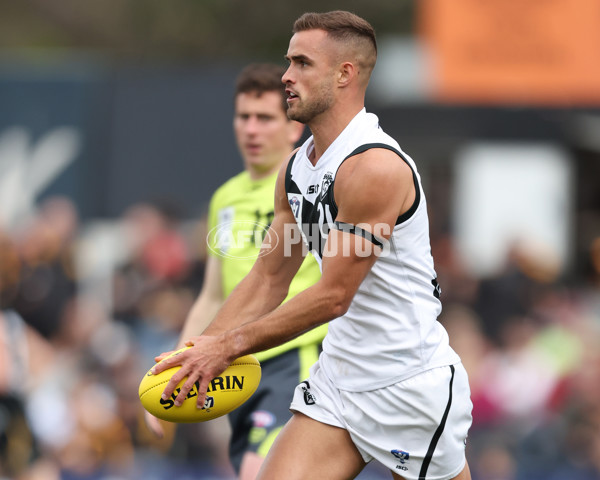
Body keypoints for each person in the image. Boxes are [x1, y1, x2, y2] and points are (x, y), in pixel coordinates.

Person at [152, 11, 473, 480]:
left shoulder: (374, 168)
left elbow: (333, 296)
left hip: (408, 384)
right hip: (339, 379)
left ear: (345, 74)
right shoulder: (296, 169)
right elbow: (267, 278)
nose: (286, 75)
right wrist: (198, 355)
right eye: (288, 62)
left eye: (302, 63)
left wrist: (228, 346)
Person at [144, 63, 326, 479]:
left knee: (258, 472)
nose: (251, 129)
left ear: (292, 128)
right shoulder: (224, 198)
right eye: (244, 117)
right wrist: (178, 365)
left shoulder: (309, 185)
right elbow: (211, 295)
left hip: (293, 357)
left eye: (265, 118)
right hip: (234, 367)